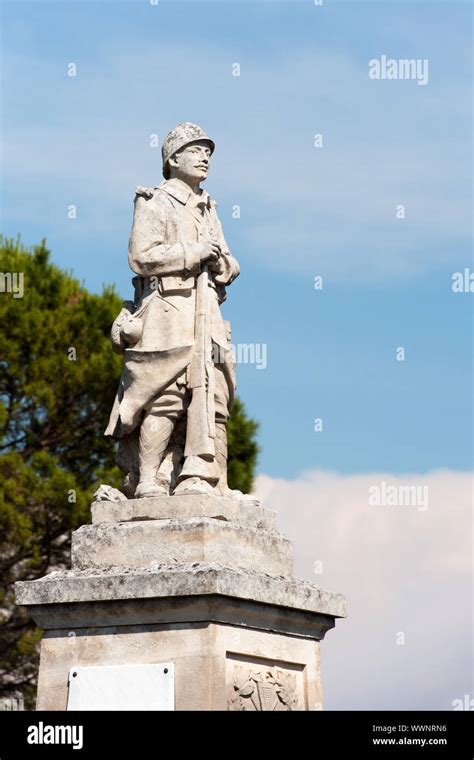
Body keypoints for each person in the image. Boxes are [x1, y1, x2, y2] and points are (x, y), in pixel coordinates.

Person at [105, 122, 240, 499]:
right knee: (165, 393)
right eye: (196, 150)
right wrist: (190, 254)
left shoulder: (208, 206)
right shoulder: (157, 201)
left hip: (207, 312)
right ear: (173, 158)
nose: (205, 158)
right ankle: (148, 479)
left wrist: (221, 265)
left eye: (208, 153)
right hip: (167, 310)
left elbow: (231, 261)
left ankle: (211, 479)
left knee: (214, 394)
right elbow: (141, 257)